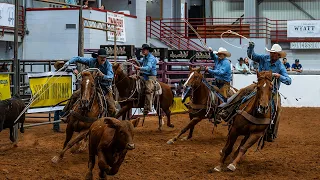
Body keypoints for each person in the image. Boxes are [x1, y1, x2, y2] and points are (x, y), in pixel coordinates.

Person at [218, 43, 291, 142]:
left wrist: (279, 76)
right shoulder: (263, 58)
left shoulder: (280, 66)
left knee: (277, 108)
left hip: (271, 91)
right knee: (242, 91)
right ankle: (227, 109)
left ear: (278, 55)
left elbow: (289, 80)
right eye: (272, 53)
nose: (272, 55)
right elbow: (252, 56)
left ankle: (271, 132)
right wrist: (251, 47)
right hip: (258, 86)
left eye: (275, 54)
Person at [62, 48, 117, 117]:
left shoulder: (108, 65)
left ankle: (110, 121)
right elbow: (77, 58)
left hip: (104, 87)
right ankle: (66, 114)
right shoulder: (91, 61)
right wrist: (68, 63)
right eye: (101, 57)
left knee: (112, 108)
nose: (103, 59)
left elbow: (110, 77)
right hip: (91, 86)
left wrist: (102, 76)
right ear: (97, 57)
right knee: (75, 95)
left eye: (104, 57)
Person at [132, 44, 157, 115]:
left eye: (144, 49)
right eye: (142, 49)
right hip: (144, 75)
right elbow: (141, 62)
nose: (143, 51)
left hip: (151, 76)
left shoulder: (151, 58)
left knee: (148, 89)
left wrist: (139, 68)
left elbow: (148, 68)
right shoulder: (145, 58)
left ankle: (148, 107)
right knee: (132, 79)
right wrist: (135, 60)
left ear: (148, 50)